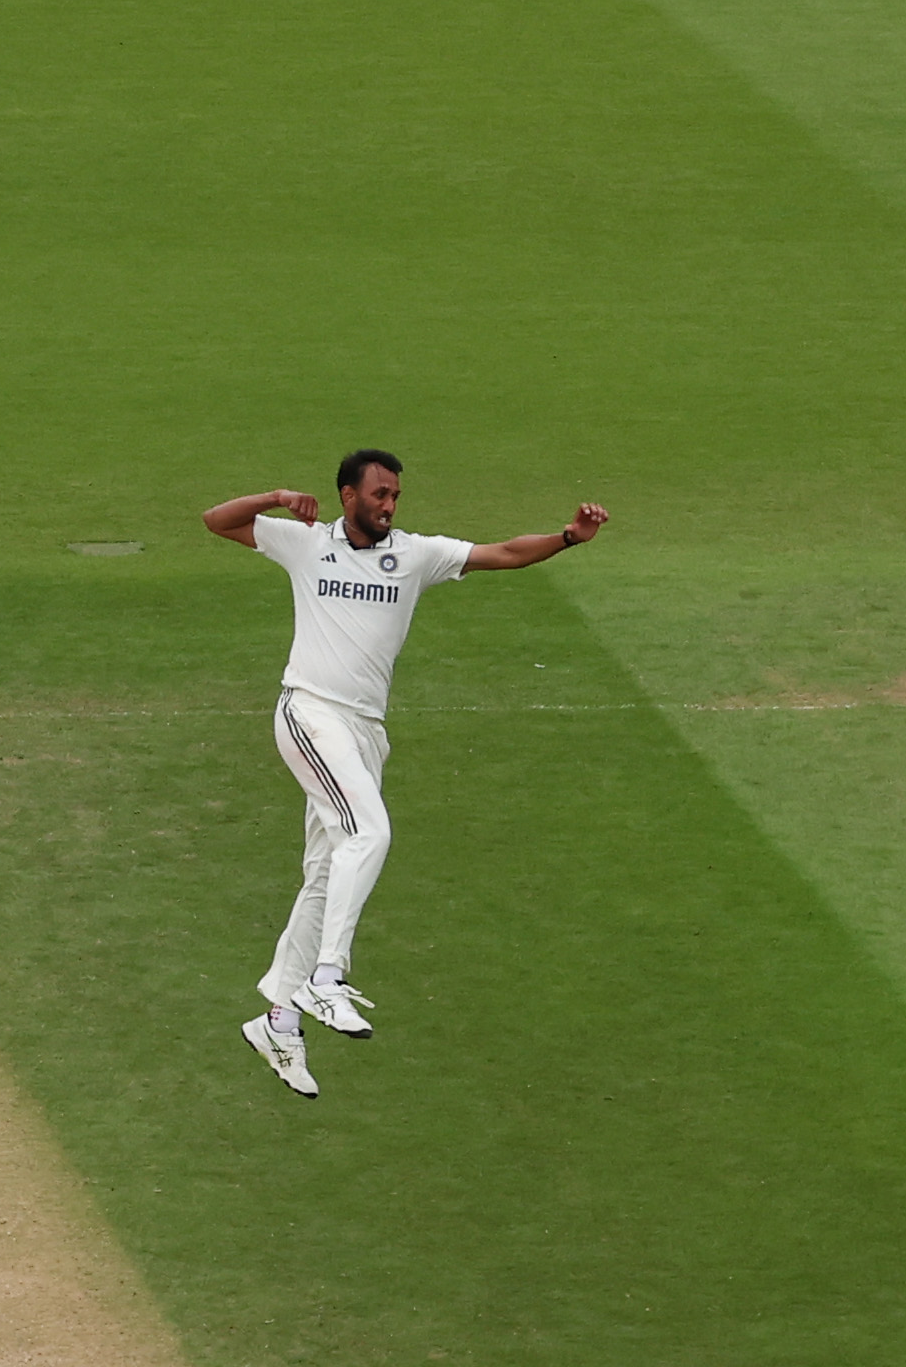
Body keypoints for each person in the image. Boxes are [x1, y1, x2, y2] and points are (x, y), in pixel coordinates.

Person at [197, 452, 608, 1098]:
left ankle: (277, 1019)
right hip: (310, 713)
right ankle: (325, 978)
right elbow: (215, 521)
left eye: (394, 497)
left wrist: (565, 538)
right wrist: (275, 495)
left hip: (364, 734)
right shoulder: (305, 544)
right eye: (379, 494)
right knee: (369, 835)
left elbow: (501, 552)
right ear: (346, 495)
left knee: (327, 869)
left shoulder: (414, 555)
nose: (389, 506)